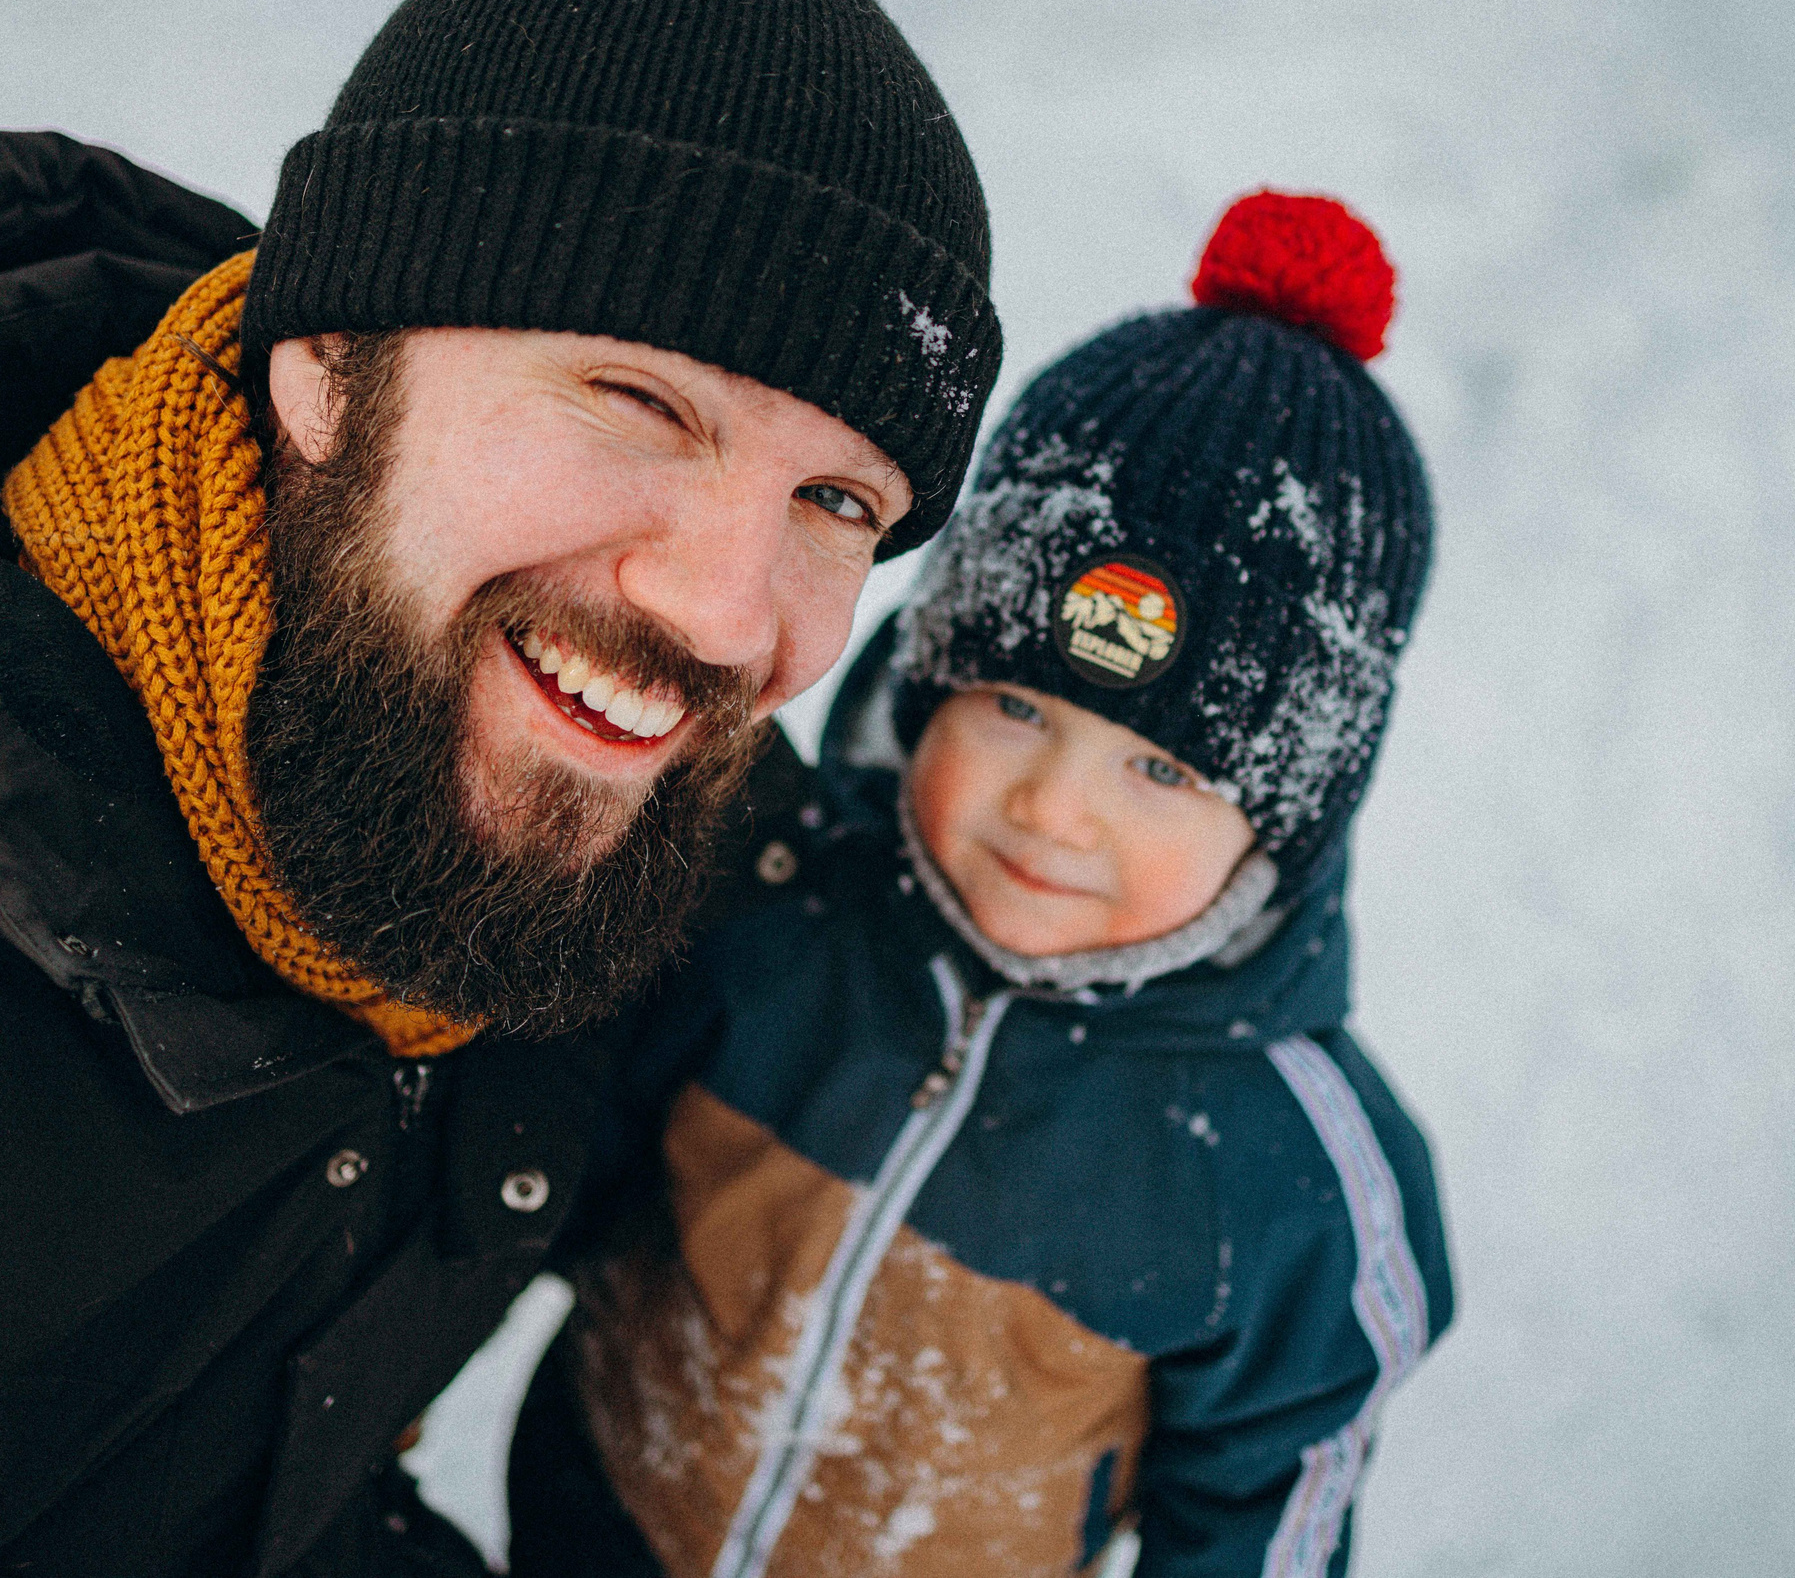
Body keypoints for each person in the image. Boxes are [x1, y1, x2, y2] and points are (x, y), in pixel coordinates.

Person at [0, 0, 998, 1573]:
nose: (727, 616)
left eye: (838, 499)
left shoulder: (571, 798)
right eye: (637, 400)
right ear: (328, 366)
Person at [511, 192, 1455, 1578]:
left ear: (1287, 826)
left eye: (1165, 775)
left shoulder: (1295, 1176)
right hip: (592, 1529)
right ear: (925, 680)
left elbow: (1265, 1515)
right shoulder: (764, 904)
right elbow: (529, 1169)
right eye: (1015, 706)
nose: (1052, 811)